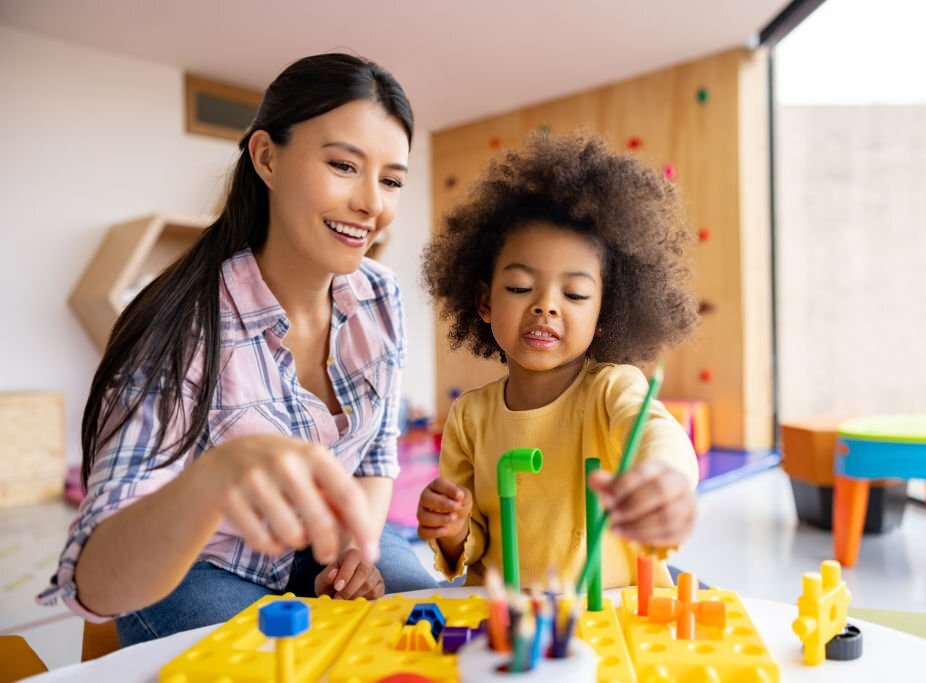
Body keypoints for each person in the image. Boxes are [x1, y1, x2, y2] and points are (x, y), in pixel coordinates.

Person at [38, 53, 438, 645]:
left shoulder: (380, 297)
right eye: (344, 165)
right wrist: (213, 480)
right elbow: (93, 583)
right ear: (266, 158)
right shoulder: (179, 325)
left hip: (323, 547)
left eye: (392, 180)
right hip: (200, 567)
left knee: (433, 626)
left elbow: (377, 458)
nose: (371, 203)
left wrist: (360, 544)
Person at [416, 132, 701, 590]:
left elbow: (657, 434)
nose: (546, 306)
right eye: (519, 287)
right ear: (485, 301)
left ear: (604, 315)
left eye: (575, 294)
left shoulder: (613, 390)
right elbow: (468, 545)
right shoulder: (469, 417)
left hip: (608, 619)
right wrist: (450, 530)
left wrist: (662, 477)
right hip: (506, 623)